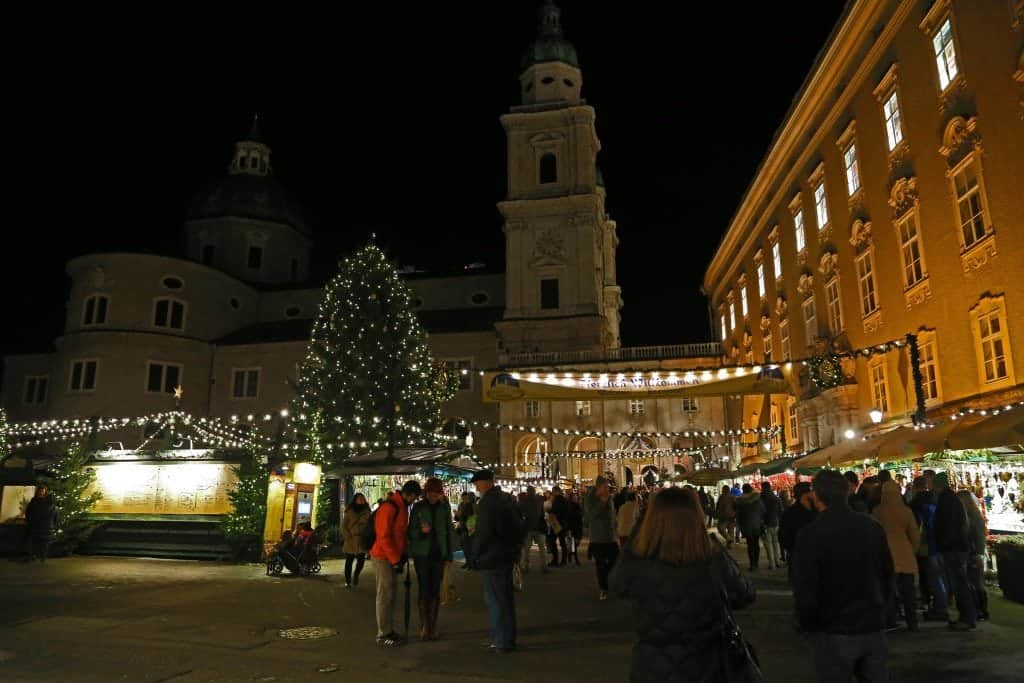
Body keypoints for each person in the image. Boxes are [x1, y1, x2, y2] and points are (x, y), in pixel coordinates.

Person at [610, 487, 756, 683]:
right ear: (696, 517)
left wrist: (638, 533)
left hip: (653, 665)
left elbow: (617, 585)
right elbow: (745, 594)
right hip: (706, 663)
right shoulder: (713, 557)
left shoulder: (637, 560)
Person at [794, 469, 894, 683]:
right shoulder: (871, 527)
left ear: (817, 496)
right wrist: (882, 607)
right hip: (871, 623)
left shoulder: (810, 534)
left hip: (833, 627)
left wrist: (807, 624)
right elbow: (887, 573)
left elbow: (806, 587)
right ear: (847, 492)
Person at [470, 469, 521, 654]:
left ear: (485, 483)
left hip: (492, 557)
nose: (476, 487)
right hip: (505, 555)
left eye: (477, 484)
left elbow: (483, 533)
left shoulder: (487, 504)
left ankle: (501, 640)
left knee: (495, 600)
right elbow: (518, 527)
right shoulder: (505, 499)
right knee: (505, 599)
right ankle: (507, 637)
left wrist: (474, 554)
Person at [369, 480, 422, 647]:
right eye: (414, 498)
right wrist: (395, 559)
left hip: (391, 556)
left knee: (391, 594)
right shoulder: (390, 507)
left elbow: (399, 534)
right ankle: (383, 634)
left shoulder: (401, 507)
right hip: (382, 557)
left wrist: (402, 554)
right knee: (385, 595)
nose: (414, 501)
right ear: (410, 494)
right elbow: (383, 536)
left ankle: (388, 630)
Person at [408, 477, 454, 641]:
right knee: (424, 589)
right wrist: (421, 531)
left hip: (438, 554)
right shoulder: (418, 508)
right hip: (422, 554)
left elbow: (449, 530)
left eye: (436, 493)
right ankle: (424, 626)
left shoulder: (444, 508)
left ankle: (432, 626)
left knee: (435, 590)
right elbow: (411, 531)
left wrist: (449, 554)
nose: (433, 496)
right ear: (426, 492)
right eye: (430, 492)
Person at [873, 480, 920, 632]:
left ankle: (890, 620)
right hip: (905, 555)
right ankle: (912, 622)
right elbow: (915, 535)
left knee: (888, 591)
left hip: (885, 555)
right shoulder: (906, 511)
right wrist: (912, 550)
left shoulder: (877, 511)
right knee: (908, 592)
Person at [933, 472, 976, 630]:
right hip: (956, 547)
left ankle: (967, 618)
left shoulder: (947, 500)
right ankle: (966, 617)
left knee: (959, 583)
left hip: (953, 549)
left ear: (938, 484)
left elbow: (949, 527)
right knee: (959, 583)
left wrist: (944, 544)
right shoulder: (951, 499)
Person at [584, 476, 619, 601]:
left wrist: (615, 528)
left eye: (607, 487)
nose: (607, 489)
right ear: (599, 488)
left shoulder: (609, 498)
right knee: (600, 565)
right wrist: (602, 503)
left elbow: (612, 515)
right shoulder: (591, 498)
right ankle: (603, 588)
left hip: (610, 537)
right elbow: (590, 516)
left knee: (616, 560)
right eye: (605, 487)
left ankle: (605, 579)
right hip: (597, 538)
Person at [957, 490, 989, 621]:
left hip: (975, 554)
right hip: (972, 553)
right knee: (975, 582)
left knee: (977, 583)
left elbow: (979, 538)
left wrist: (979, 554)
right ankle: (979, 609)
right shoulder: (969, 516)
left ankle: (982, 610)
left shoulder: (974, 517)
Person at [779, 481, 816, 583]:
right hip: (798, 558)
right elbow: (783, 536)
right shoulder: (790, 514)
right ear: (805, 494)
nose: (815, 493)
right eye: (812, 491)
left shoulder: (817, 510)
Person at [341, 493, 371, 588]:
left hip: (362, 539)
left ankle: (356, 575)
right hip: (351, 539)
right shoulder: (349, 511)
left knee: (361, 561)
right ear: (355, 500)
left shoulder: (367, 511)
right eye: (359, 499)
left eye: (363, 499)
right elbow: (343, 525)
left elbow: (370, 525)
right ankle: (348, 581)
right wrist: (347, 536)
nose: (361, 500)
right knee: (349, 561)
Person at [519, 486, 548, 574]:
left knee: (526, 550)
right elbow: (542, 514)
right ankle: (543, 566)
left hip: (528, 528)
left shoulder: (523, 502)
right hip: (538, 528)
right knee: (542, 549)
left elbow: (520, 513)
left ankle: (526, 566)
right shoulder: (539, 501)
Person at [25, 484, 57, 563]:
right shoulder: (35, 502)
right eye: (40, 491)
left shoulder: (38, 502)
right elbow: (28, 513)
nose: (41, 493)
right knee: (40, 543)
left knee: (41, 543)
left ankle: (39, 557)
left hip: (42, 526)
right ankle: (39, 557)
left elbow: (29, 513)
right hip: (39, 526)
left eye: (42, 491)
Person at [736, 484, 765, 570]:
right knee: (756, 544)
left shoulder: (740, 502)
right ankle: (756, 563)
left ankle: (752, 564)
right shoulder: (758, 500)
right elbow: (763, 511)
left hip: (746, 526)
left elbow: (739, 516)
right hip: (757, 525)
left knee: (750, 545)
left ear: (743, 490)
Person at [761, 481, 783, 570]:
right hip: (776, 523)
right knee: (776, 543)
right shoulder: (776, 498)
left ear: (763, 488)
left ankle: (772, 564)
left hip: (765, 524)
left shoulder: (761, 498)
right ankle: (777, 562)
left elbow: (760, 512)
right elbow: (781, 511)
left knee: (768, 545)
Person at [547, 486, 570, 567]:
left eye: (553, 491)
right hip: (563, 524)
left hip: (557, 523)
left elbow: (555, 511)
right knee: (562, 542)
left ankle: (555, 560)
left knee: (553, 541)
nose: (552, 493)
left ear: (556, 491)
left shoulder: (557, 500)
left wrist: (549, 511)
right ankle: (563, 560)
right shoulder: (564, 500)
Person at [454, 492, 476, 569]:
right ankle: (468, 562)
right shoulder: (461, 505)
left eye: (466, 498)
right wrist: (457, 515)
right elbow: (457, 518)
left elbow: (468, 515)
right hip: (463, 528)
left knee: (469, 547)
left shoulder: (472, 505)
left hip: (469, 529)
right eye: (463, 498)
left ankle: (471, 563)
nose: (464, 500)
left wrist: (460, 515)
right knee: (464, 546)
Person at [565, 492, 583, 565]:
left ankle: (570, 554)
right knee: (573, 543)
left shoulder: (577, 505)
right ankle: (575, 558)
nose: (576, 498)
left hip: (576, 526)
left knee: (575, 543)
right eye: (575, 497)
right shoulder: (570, 506)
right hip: (572, 527)